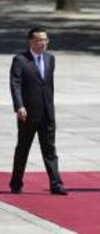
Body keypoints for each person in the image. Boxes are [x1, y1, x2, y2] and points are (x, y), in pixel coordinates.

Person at [9, 27, 67, 195]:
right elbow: (15, 84)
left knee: (50, 149)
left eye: (45, 40)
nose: (42, 43)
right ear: (31, 42)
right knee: (23, 149)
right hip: (27, 113)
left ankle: (56, 184)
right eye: (39, 40)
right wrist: (19, 106)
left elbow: (47, 86)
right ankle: (16, 183)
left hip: (47, 113)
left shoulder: (50, 59)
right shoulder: (20, 60)